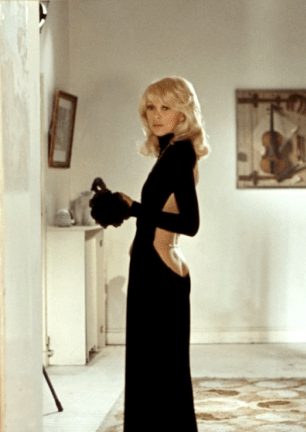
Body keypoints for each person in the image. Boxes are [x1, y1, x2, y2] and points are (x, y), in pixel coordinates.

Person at [119, 77, 209, 431]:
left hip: (157, 271)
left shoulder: (179, 154)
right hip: (154, 266)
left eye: (166, 107)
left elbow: (190, 223)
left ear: (182, 113)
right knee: (158, 370)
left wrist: (133, 208)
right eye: (151, 108)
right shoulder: (171, 152)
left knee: (156, 370)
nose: (156, 115)